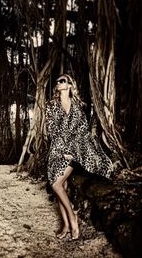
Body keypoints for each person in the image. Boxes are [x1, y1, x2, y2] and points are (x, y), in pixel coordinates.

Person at [45, 74, 113, 240]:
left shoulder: (77, 107)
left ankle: (73, 219)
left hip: (74, 151)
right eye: (57, 81)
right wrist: (63, 151)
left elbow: (82, 132)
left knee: (56, 184)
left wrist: (71, 151)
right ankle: (66, 225)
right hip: (57, 151)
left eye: (62, 81)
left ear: (69, 85)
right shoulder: (51, 105)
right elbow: (52, 131)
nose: (59, 83)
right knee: (62, 186)